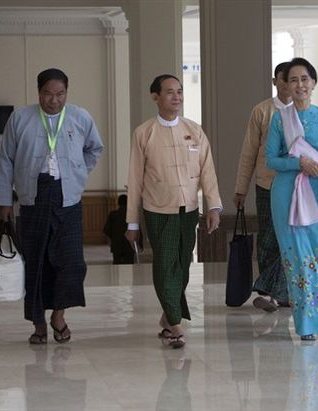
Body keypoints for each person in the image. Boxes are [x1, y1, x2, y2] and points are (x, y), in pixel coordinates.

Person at [0, 68, 104, 344]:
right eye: (48, 94)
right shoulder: (20, 118)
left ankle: (59, 314)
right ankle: (38, 324)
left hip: (68, 198)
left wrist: (79, 172)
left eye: (60, 94)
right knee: (35, 262)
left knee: (71, 263)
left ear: (67, 92)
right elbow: (6, 160)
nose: (54, 100)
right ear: (38, 92)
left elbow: (95, 149)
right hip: (33, 198)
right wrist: (5, 200)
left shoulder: (80, 117)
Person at [125, 74, 222, 348]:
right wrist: (132, 223)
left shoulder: (194, 130)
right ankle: (176, 324)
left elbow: (208, 172)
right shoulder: (144, 133)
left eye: (179, 91)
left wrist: (213, 206)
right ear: (155, 97)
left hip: (188, 209)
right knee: (166, 264)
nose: (177, 96)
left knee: (182, 266)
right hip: (157, 210)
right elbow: (134, 179)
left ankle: (168, 318)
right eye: (169, 92)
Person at [266, 57, 318, 341]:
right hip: (286, 194)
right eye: (293, 80)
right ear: (285, 85)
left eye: (305, 79)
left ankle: (316, 318)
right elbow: (271, 159)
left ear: (313, 83)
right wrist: (298, 163)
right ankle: (305, 325)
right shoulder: (280, 118)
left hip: (317, 192)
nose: (300, 85)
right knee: (297, 259)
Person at [234, 62, 292, 312]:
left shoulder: (306, 112)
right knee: (269, 239)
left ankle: (281, 292)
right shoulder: (262, 111)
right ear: (275, 81)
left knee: (292, 239)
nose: (289, 84)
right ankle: (272, 292)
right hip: (267, 184)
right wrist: (241, 188)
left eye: (294, 79)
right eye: (284, 79)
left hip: (298, 187)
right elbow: (249, 152)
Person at [103, 194, 142, 264]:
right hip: (129, 245)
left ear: (118, 203)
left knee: (117, 263)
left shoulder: (113, 214)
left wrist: (111, 242)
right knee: (129, 264)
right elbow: (138, 230)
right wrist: (140, 244)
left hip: (116, 245)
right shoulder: (132, 215)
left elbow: (107, 230)